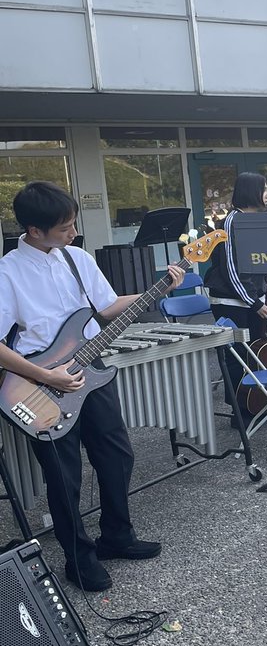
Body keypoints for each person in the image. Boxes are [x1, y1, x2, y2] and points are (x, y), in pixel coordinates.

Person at [0, 182, 185, 592]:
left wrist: (159, 288)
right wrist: (48, 376)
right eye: (65, 227)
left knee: (117, 455)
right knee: (64, 478)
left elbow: (105, 307)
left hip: (90, 368)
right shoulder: (7, 272)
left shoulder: (76, 258)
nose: (72, 232)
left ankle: (117, 535)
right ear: (34, 229)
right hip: (38, 382)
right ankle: (78, 561)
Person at [204, 172, 267, 426]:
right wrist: (254, 302)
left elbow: (258, 262)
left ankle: (259, 404)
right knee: (238, 359)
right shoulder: (232, 222)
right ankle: (240, 412)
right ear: (251, 192)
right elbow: (231, 269)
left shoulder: (253, 221)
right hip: (231, 302)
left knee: (257, 352)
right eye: (264, 189)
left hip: (251, 300)